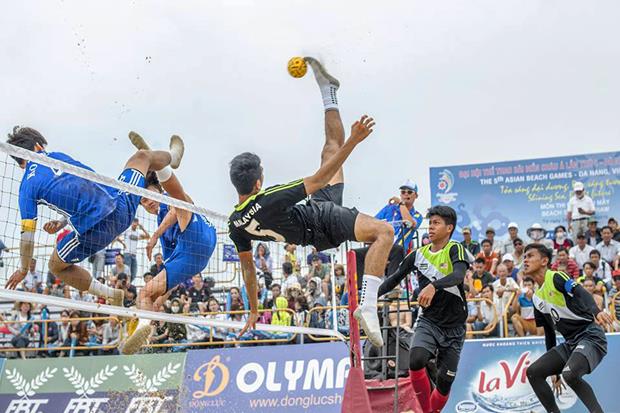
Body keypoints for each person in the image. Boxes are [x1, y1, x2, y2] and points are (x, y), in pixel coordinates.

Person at [227, 58, 392, 347]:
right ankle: (368, 305)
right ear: (256, 184)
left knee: (330, 149)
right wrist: (354, 140)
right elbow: (317, 179)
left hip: (313, 221)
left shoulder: (235, 223)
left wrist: (253, 310)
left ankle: (329, 91)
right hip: (323, 218)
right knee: (384, 232)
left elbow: (249, 270)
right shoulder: (268, 198)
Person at [5, 126, 183, 306]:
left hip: (95, 231)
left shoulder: (26, 187)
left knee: (55, 266)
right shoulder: (58, 156)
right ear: (37, 146)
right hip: (120, 206)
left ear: (18, 159)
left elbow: (27, 237)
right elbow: (89, 191)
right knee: (142, 156)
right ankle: (168, 160)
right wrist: (61, 222)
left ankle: (111, 294)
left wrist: (23, 268)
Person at [122, 133, 217, 354]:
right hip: (193, 255)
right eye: (143, 202)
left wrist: (154, 235)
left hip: (198, 236)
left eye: (148, 197)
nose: (147, 204)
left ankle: (145, 329)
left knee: (179, 201)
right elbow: (172, 267)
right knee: (148, 295)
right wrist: (162, 297)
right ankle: (147, 338)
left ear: (157, 189)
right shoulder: (160, 216)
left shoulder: (165, 209)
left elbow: (174, 210)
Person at [378, 206, 469, 413]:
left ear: (449, 228)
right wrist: (368, 297)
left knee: (444, 383)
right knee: (416, 360)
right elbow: (393, 280)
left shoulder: (455, 249)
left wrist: (432, 286)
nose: (431, 227)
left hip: (454, 328)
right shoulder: (417, 255)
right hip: (428, 321)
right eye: (430, 223)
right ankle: (426, 411)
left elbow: (458, 275)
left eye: (436, 223)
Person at [523, 244, 612, 413]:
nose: (525, 260)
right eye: (524, 257)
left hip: (590, 335)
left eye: (529, 256)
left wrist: (596, 311)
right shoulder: (536, 298)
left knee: (570, 374)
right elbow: (549, 333)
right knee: (534, 372)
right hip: (570, 343)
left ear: (544, 261)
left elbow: (581, 293)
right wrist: (553, 372)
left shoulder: (556, 277)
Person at [375, 179, 424, 252]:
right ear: (400, 194)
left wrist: (401, 204)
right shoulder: (390, 208)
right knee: (357, 255)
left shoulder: (417, 215)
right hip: (382, 247)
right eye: (403, 192)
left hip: (398, 251)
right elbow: (373, 222)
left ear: (416, 196)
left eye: (409, 192)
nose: (406, 194)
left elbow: (409, 223)